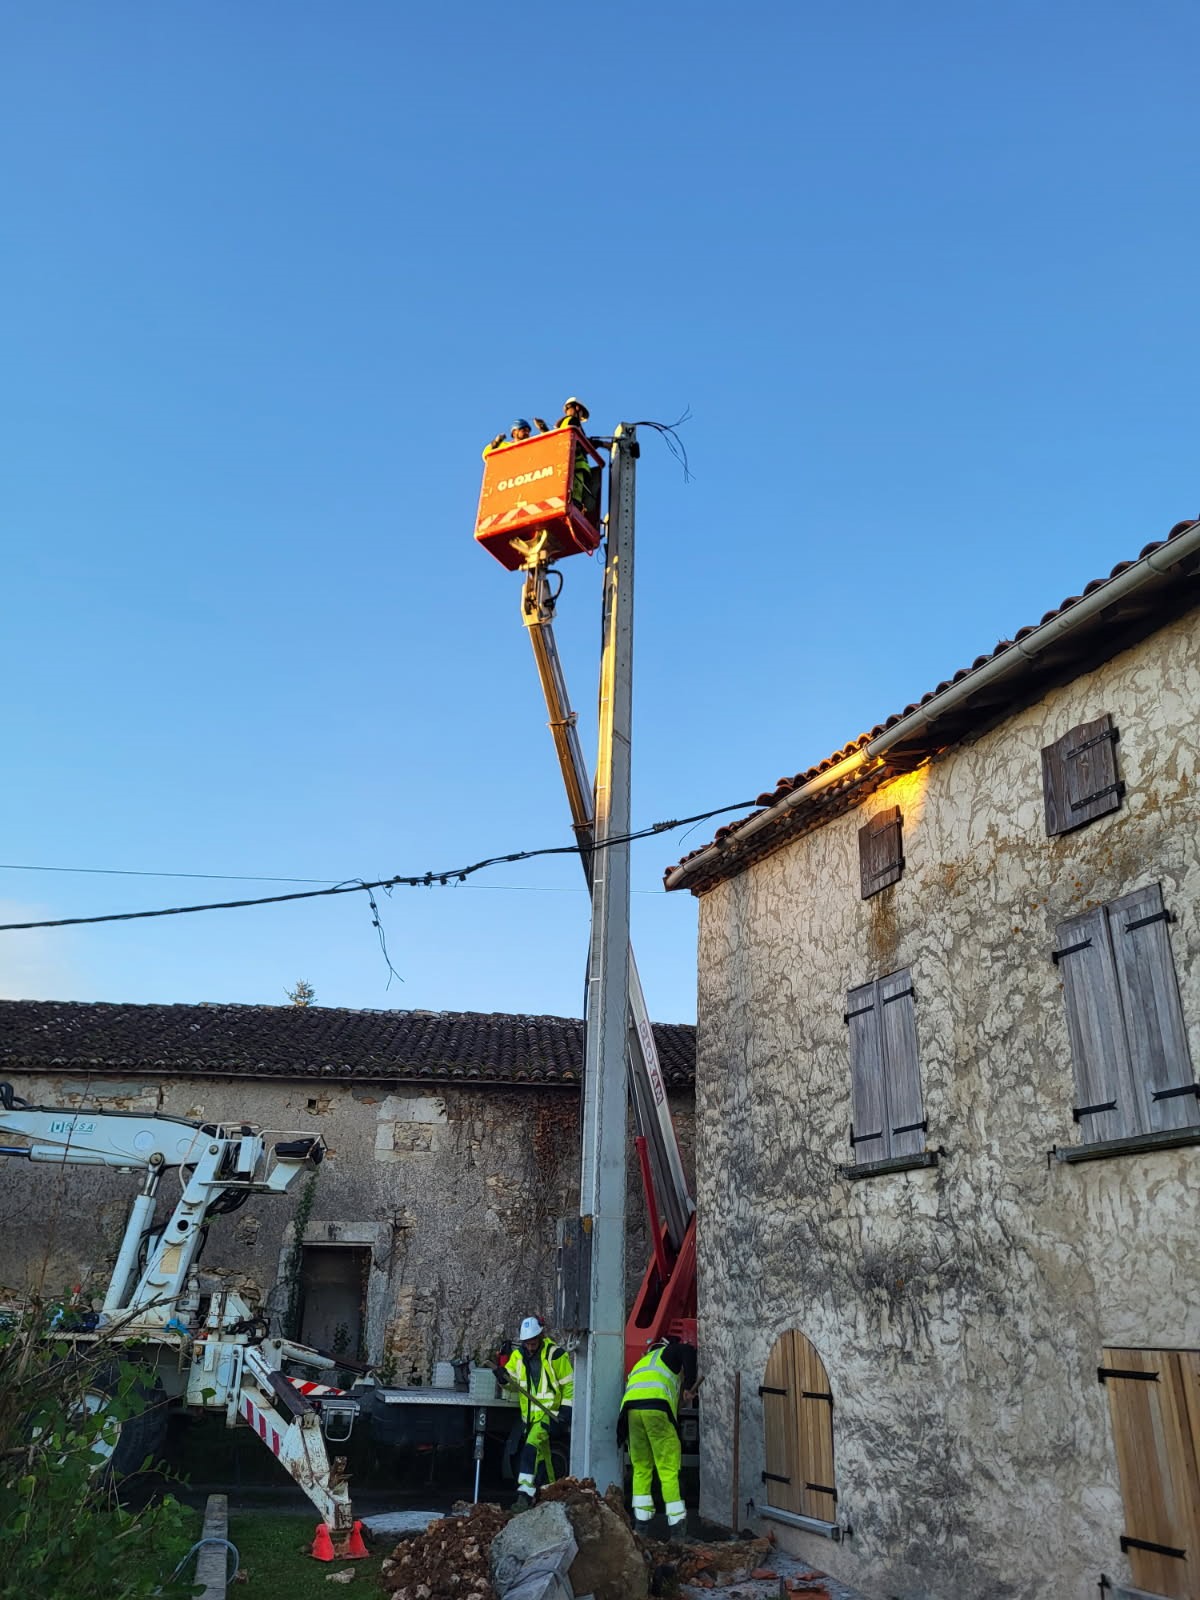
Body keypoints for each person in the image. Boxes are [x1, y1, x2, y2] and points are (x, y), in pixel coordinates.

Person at [618, 1338, 697, 1529]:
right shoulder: (668, 1352)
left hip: (630, 1412)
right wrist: (688, 1386)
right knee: (668, 1467)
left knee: (641, 1467)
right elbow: (688, 1351)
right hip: (656, 1409)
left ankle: (642, 1523)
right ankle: (677, 1523)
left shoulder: (641, 1363)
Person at [497, 1315, 574, 1509]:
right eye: (527, 1343)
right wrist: (503, 1379)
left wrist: (566, 1411)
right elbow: (512, 1385)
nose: (530, 1347)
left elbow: (569, 1385)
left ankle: (524, 1494)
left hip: (549, 1413)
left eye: (533, 1343)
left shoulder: (555, 1355)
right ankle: (550, 1492)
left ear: (541, 1337)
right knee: (543, 1456)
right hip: (530, 1417)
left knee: (530, 1448)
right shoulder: (518, 1357)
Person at [553, 398, 599, 520]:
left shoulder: (563, 424)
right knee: (576, 497)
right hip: (576, 466)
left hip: (566, 465)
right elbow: (582, 443)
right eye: (582, 413)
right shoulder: (573, 421)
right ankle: (575, 510)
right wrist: (600, 444)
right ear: (577, 408)